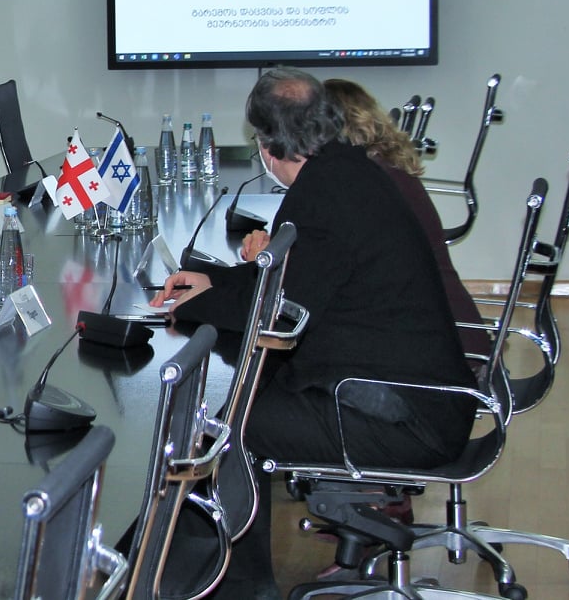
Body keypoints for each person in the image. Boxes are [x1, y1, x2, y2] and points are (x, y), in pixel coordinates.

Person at [151, 67, 478, 596]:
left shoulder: (325, 195)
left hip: (405, 416)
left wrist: (197, 305)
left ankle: (234, 588)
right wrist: (213, 283)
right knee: (235, 404)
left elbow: (282, 310)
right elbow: (285, 281)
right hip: (413, 396)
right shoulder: (346, 172)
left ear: (267, 145)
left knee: (224, 428)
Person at [242, 80, 481, 332]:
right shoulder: (379, 172)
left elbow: (303, 293)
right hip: (436, 323)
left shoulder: (360, 188)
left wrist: (265, 264)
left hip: (441, 334)